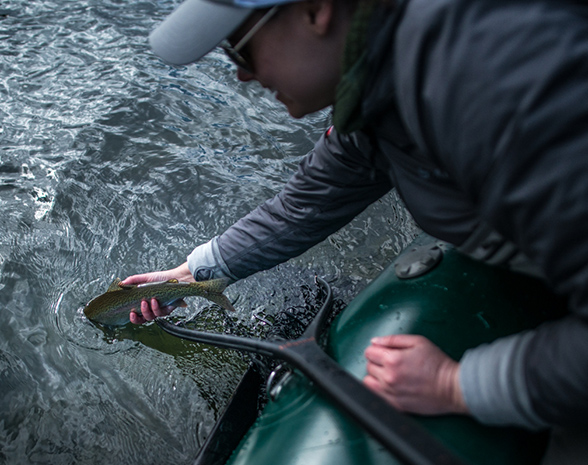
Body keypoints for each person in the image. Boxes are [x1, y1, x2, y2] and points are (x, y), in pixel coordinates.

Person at [125, 0, 588, 457]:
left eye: (239, 50)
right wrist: (186, 278)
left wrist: (458, 385)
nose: (242, 75)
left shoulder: (488, 83)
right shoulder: (383, 85)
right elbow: (305, 204)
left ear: (316, 10)